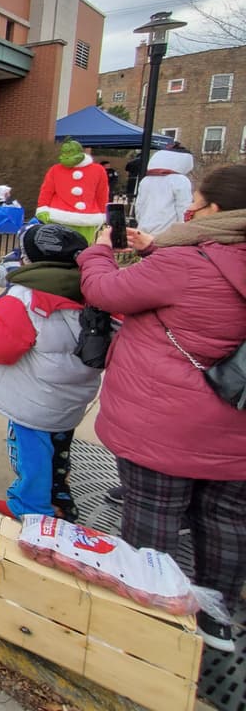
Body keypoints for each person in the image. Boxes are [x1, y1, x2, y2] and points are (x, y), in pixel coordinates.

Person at [77, 164, 246, 653]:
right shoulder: (193, 259)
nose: (189, 206)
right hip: (233, 423)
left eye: (197, 199)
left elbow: (105, 291)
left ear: (216, 210)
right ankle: (217, 620)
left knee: (153, 514)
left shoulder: (187, 262)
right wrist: (154, 249)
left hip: (166, 419)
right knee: (228, 521)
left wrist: (99, 250)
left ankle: (146, 617)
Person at [0, 225, 99, 523]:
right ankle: (60, 498)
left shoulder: (23, 296)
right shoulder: (94, 289)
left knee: (31, 454)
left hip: (33, 398)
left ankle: (31, 505)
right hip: (72, 393)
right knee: (58, 449)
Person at [36, 139, 109, 239]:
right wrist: (42, 208)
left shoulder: (98, 170)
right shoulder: (55, 169)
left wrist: (103, 212)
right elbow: (46, 191)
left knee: (81, 249)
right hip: (58, 217)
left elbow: (102, 194)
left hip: (86, 219)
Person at [134, 148, 194, 236]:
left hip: (143, 230)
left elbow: (139, 207)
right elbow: (184, 208)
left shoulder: (145, 180)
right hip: (167, 233)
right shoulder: (180, 180)